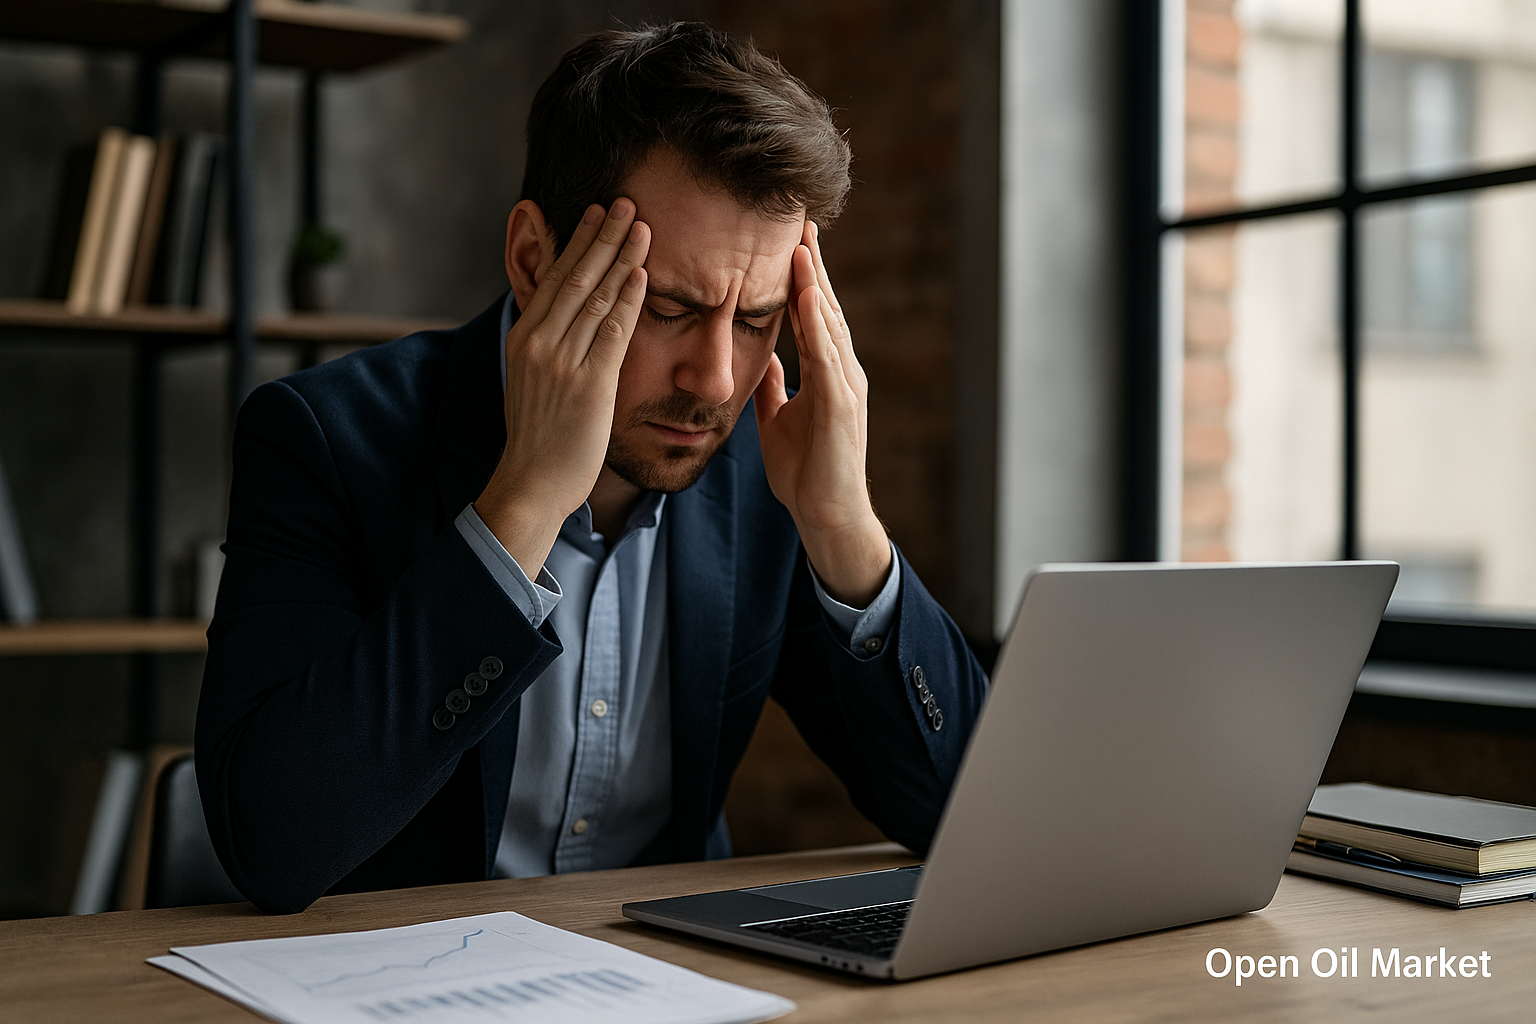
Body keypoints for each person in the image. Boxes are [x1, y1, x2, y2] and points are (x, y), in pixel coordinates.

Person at [197, 22, 989, 915]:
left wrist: (845, 529)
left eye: (756, 319)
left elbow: (973, 819)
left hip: (677, 971)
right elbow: (271, 846)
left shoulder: (769, 472)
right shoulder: (323, 438)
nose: (714, 381)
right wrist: (523, 504)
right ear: (534, 262)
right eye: (668, 308)